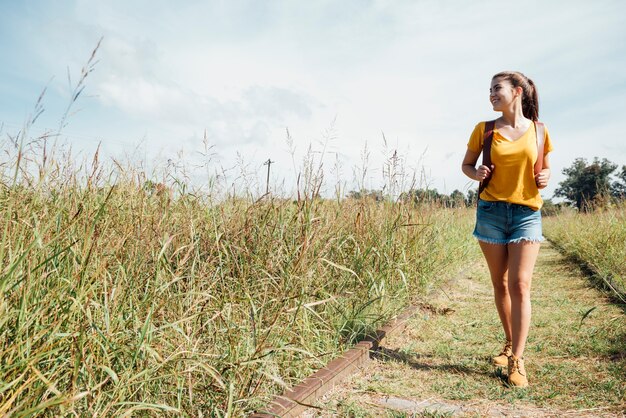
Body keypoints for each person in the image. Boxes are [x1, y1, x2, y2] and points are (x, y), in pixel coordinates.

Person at [461, 71, 554, 388]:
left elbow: (546, 167)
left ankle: (517, 359)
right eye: (489, 89)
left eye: (496, 88)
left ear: (516, 92)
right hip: (491, 212)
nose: (490, 94)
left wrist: (545, 177)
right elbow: (467, 165)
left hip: (527, 212)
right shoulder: (484, 130)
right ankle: (508, 341)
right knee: (500, 283)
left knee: (520, 284)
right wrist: (477, 173)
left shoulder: (539, 132)